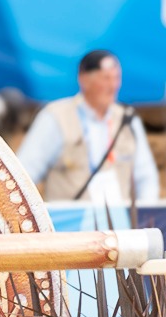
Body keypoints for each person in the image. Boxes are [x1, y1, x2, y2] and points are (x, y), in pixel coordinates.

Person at [16, 49, 161, 206]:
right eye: (106, 78)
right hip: (70, 224)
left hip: (119, 224)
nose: (113, 85)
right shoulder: (56, 116)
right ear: (84, 79)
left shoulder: (128, 119)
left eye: (116, 78)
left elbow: (146, 177)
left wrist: (146, 217)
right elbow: (25, 173)